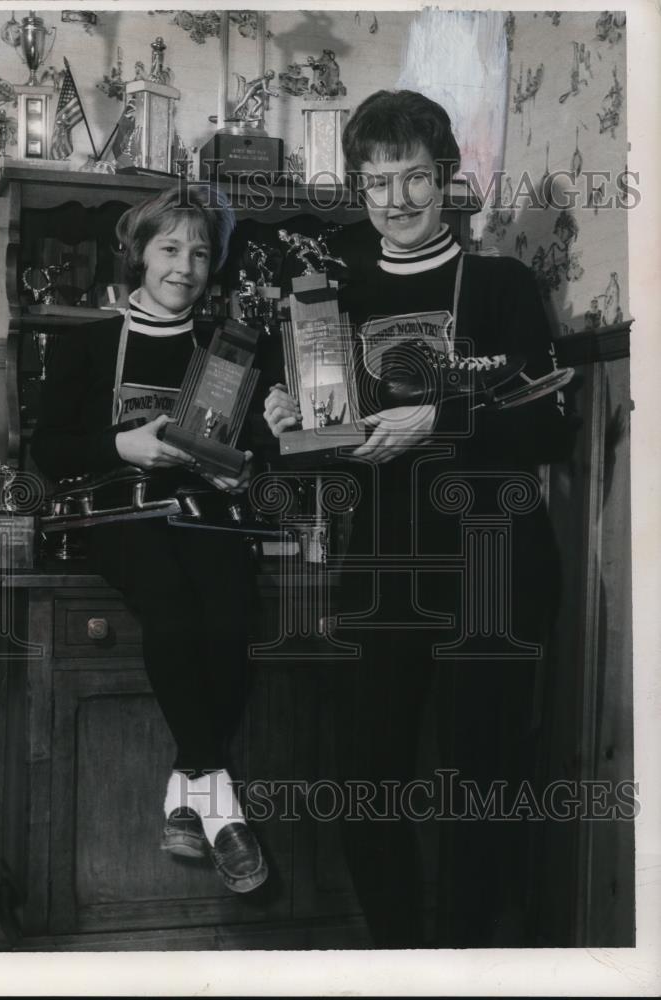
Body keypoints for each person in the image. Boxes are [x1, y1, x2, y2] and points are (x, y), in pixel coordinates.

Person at [263, 90, 572, 945]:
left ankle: (468, 959)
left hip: (495, 561)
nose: (395, 202)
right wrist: (289, 416)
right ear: (358, 186)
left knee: (482, 780)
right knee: (366, 780)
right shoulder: (332, 292)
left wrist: (438, 416)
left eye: (413, 179)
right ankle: (401, 956)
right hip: (384, 563)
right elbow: (328, 430)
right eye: (376, 182)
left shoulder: (503, 285)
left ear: (446, 178)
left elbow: (551, 422)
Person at [31, 186, 268, 895]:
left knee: (231, 612)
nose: (184, 266)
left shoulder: (228, 352)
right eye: (170, 248)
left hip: (201, 514)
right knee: (169, 606)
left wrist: (249, 457)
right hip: (119, 515)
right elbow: (48, 449)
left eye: (200, 252)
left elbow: (253, 446)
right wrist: (122, 445)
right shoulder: (91, 342)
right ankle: (220, 806)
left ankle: (186, 791)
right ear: (140, 254)